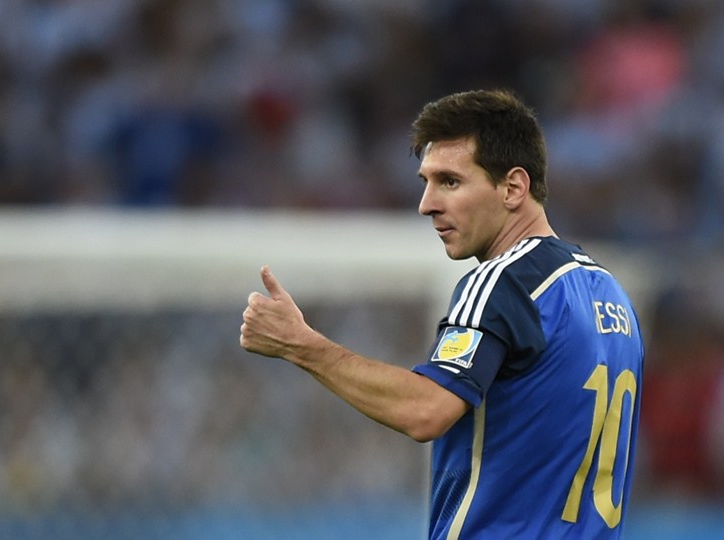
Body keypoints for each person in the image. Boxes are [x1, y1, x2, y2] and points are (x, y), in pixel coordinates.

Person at [240, 89, 645, 538]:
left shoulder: (503, 282)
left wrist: (301, 344)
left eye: (450, 182)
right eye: (426, 182)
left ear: (513, 187)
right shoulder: (610, 294)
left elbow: (426, 410)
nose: (427, 203)